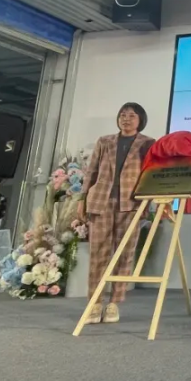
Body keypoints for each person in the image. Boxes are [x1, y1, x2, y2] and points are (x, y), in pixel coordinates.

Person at [78, 103, 155, 325]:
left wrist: (148, 203)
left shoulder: (148, 143)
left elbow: (150, 173)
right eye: (123, 115)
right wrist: (82, 200)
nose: (126, 119)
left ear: (140, 120)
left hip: (130, 204)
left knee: (124, 254)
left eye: (131, 115)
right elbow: (91, 172)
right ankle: (95, 302)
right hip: (100, 202)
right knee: (98, 254)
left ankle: (114, 303)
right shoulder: (105, 141)